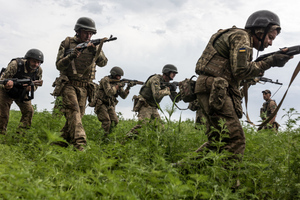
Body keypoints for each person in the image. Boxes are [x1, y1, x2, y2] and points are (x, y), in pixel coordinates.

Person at [192, 10, 292, 161]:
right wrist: (271, 61)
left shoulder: (237, 36)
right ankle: (230, 183)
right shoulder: (242, 37)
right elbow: (241, 71)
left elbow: (236, 72)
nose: (270, 43)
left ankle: (182, 171)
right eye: (270, 37)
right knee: (235, 140)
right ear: (260, 31)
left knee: (219, 140)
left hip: (211, 88)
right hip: (215, 89)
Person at [54, 17, 108, 151]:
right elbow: (59, 66)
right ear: (78, 31)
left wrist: (94, 51)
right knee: (75, 113)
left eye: (91, 34)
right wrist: (71, 56)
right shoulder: (67, 43)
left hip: (85, 87)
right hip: (68, 85)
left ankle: (57, 145)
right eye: (86, 33)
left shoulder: (94, 46)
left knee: (75, 119)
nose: (88, 36)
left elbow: (103, 63)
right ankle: (80, 145)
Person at [0, 49, 44, 135]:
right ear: (28, 59)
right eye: (34, 61)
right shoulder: (15, 64)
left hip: (22, 92)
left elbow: (36, 84)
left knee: (29, 111)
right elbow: (2, 80)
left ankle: (20, 135)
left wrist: (30, 88)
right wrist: (7, 85)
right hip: (6, 92)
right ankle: (1, 135)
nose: (36, 64)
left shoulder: (38, 70)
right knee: (3, 114)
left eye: (38, 62)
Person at [128, 64, 180, 135]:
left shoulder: (167, 84)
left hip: (154, 107)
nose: (174, 75)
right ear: (167, 72)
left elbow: (176, 100)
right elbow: (157, 95)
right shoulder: (155, 79)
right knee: (142, 126)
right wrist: (168, 89)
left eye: (175, 73)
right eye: (173, 73)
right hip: (145, 105)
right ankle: (124, 142)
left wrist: (179, 90)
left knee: (160, 129)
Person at [94, 66, 134, 136]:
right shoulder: (105, 80)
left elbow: (123, 96)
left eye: (120, 76)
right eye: (118, 76)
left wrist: (128, 87)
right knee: (106, 122)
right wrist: (117, 86)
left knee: (115, 121)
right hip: (101, 103)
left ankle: (109, 135)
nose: (119, 78)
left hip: (110, 104)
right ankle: (101, 138)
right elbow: (109, 92)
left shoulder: (118, 83)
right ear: (113, 74)